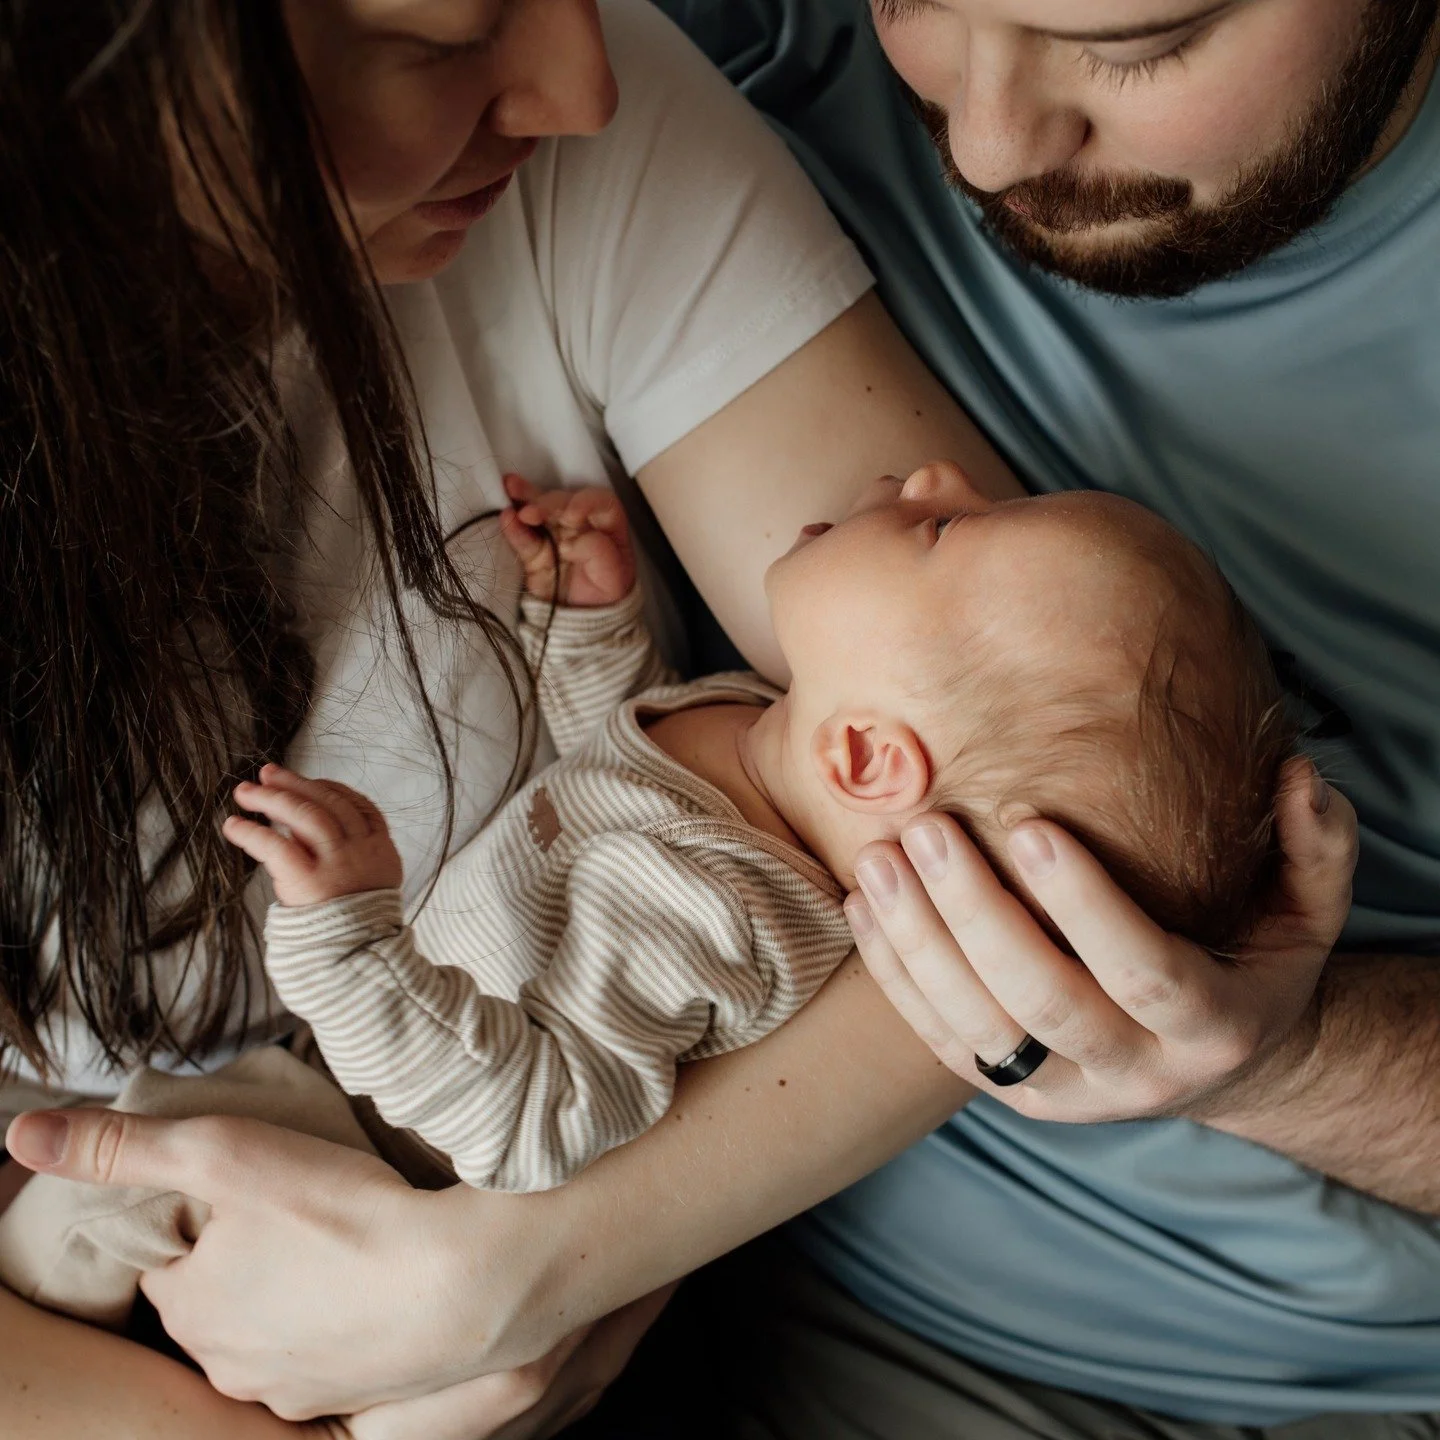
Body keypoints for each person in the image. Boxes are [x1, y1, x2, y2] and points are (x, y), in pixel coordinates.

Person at [0, 1, 1360, 1438]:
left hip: (400, 1137)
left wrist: (514, 1269)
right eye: (437, 35)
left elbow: (1010, 877)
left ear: (859, 759)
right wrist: (585, 631)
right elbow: (622, 782)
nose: (583, 79)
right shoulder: (781, 763)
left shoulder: (748, 879)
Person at [1, 456, 1298, 1332]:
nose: (935, 472)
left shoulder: (727, 920)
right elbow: (595, 791)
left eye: (946, 529)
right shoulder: (758, 739)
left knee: (64, 1225)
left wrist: (356, 941)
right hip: (326, 1090)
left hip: (365, 1155)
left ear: (870, 760)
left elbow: (537, 1121)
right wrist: (587, 632)